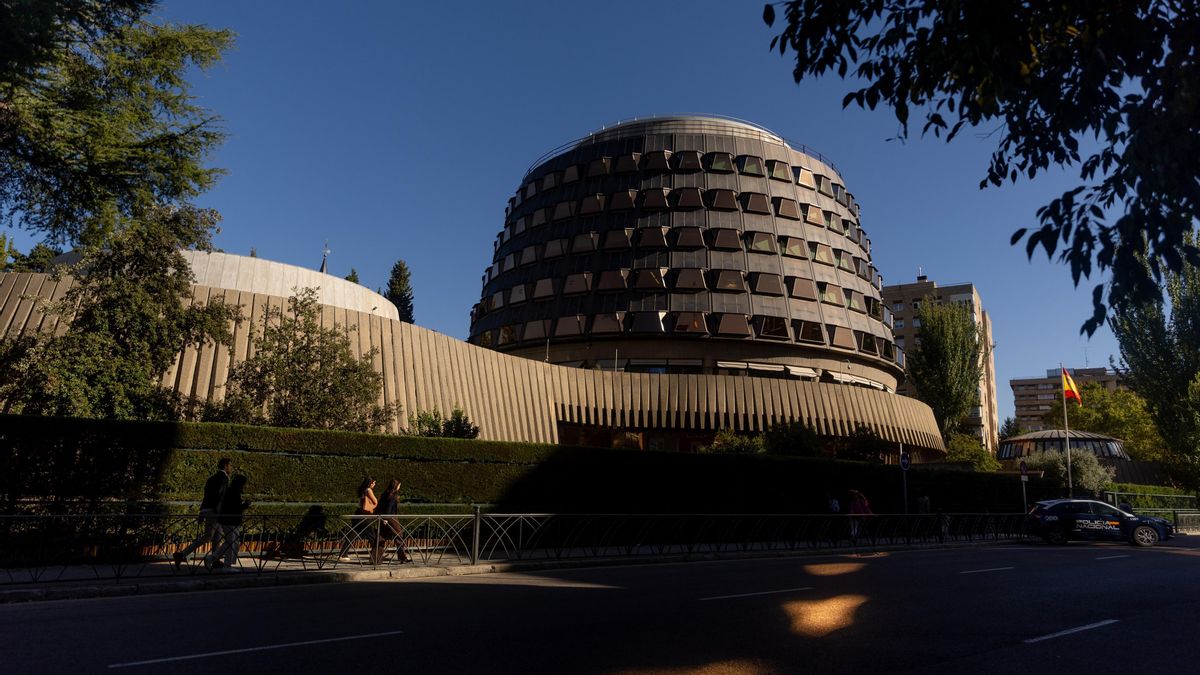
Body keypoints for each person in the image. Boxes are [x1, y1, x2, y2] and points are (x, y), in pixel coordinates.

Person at [173, 457, 232, 569]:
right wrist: (220, 512)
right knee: (208, 537)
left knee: (217, 537)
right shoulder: (224, 478)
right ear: (225, 465)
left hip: (207, 510)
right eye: (230, 466)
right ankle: (181, 554)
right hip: (215, 512)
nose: (231, 468)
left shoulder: (211, 478)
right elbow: (220, 496)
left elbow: (206, 496)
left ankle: (214, 560)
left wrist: (202, 512)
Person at [214, 474, 252, 571]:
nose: (246, 486)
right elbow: (235, 509)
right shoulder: (234, 493)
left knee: (230, 542)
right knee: (232, 543)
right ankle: (227, 565)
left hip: (228, 520)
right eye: (244, 484)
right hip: (230, 521)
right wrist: (245, 505)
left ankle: (212, 558)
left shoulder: (231, 491)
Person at [374, 479, 412, 565]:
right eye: (399, 485)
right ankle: (403, 557)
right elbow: (389, 507)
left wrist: (383, 518)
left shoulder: (385, 494)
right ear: (396, 486)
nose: (399, 487)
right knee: (399, 536)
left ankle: (375, 559)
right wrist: (387, 518)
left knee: (381, 537)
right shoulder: (393, 495)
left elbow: (381, 506)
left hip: (383, 517)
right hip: (391, 518)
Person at [339, 477, 377, 561]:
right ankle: (376, 555)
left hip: (359, 514)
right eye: (374, 483)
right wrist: (373, 508)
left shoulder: (362, 490)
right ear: (370, 483)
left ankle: (343, 554)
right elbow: (376, 502)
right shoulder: (369, 490)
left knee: (353, 534)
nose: (374, 484)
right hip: (365, 516)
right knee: (372, 536)